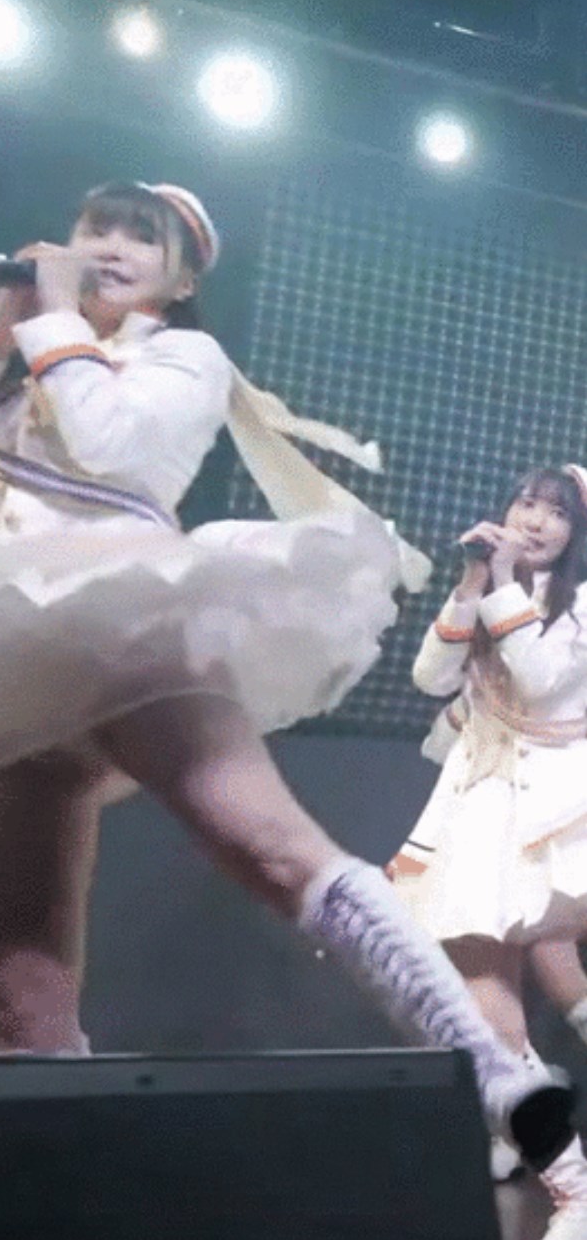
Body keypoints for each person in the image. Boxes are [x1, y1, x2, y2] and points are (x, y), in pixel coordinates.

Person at [0, 181, 572, 1168]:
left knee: (272, 848)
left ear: (182, 275)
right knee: (22, 992)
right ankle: (55, 1176)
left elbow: (113, 449)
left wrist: (50, 319)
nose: (110, 246)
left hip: (121, 626)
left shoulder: (182, 357)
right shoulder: (29, 360)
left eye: (141, 237)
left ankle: (493, 1073)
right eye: (96, 229)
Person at [388, 465, 587, 1229]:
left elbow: (539, 680)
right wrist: (473, 579)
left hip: (561, 809)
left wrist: (502, 581)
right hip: (478, 814)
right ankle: (571, 1185)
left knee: (555, 961)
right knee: (486, 1002)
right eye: (525, 503)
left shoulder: (581, 604)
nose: (534, 520)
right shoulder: (490, 585)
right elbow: (427, 676)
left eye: (555, 512)